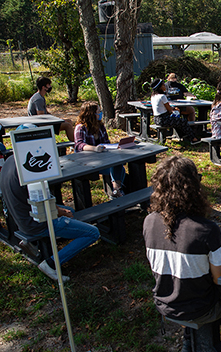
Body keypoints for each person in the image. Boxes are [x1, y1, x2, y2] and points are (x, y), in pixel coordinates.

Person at [143, 156, 221, 352]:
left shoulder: (149, 221)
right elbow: (219, 278)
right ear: (193, 188)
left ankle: (189, 340)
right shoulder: (206, 229)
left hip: (165, 301)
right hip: (200, 306)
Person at [0, 140, 100, 282]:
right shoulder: (29, 169)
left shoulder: (10, 160)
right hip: (36, 222)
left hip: (20, 217)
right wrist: (62, 213)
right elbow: (45, 203)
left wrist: (63, 211)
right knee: (93, 232)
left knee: (70, 210)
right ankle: (51, 263)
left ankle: (40, 243)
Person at [74, 101, 126, 198]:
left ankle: (116, 191)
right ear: (91, 114)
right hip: (86, 163)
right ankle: (116, 192)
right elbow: (79, 145)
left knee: (119, 165)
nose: (101, 113)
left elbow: (106, 142)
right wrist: (94, 149)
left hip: (102, 159)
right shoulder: (80, 128)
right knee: (114, 168)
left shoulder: (100, 126)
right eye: (98, 111)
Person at [150, 78, 200, 145]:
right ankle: (193, 139)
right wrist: (174, 109)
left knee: (178, 121)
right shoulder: (162, 96)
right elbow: (169, 110)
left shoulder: (153, 96)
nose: (165, 86)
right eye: (163, 85)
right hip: (164, 119)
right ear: (160, 87)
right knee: (183, 121)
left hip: (156, 119)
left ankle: (183, 136)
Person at [27, 76, 75, 142]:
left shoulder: (41, 97)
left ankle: (73, 143)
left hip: (44, 122)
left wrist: (57, 119)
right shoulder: (38, 99)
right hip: (39, 125)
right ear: (43, 87)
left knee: (69, 121)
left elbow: (46, 113)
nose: (50, 86)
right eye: (48, 85)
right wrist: (54, 121)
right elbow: (40, 116)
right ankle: (76, 144)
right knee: (67, 125)